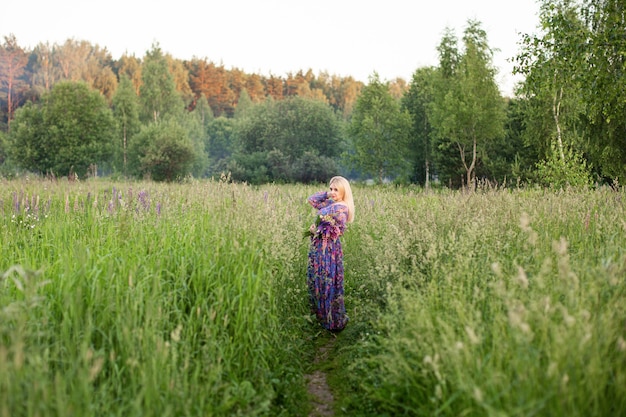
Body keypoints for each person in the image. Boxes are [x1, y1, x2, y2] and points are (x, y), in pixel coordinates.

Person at [306, 176, 355, 331]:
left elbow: (335, 232)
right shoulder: (332, 204)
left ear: (343, 191)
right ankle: (321, 316)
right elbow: (312, 200)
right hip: (320, 247)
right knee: (318, 279)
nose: (333, 192)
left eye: (336, 190)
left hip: (328, 249)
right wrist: (328, 194)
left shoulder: (342, 208)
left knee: (326, 280)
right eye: (331, 188)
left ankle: (331, 320)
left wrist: (317, 230)